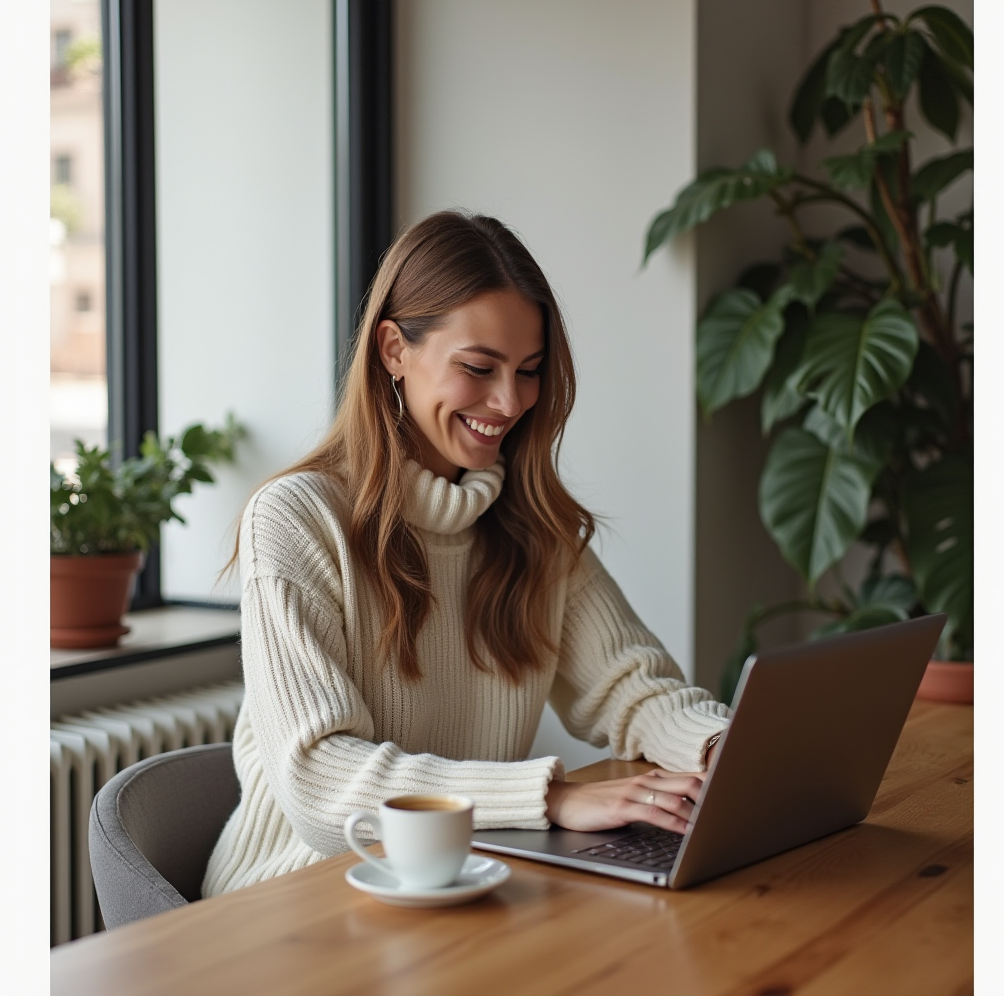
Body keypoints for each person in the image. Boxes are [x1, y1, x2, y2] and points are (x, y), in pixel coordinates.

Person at [202, 210, 731, 896]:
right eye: (479, 367)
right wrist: (549, 798)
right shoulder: (299, 519)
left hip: (460, 887)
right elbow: (321, 782)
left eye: (530, 370)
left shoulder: (531, 529)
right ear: (394, 349)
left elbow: (636, 691)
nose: (510, 401)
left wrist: (727, 751)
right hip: (293, 902)